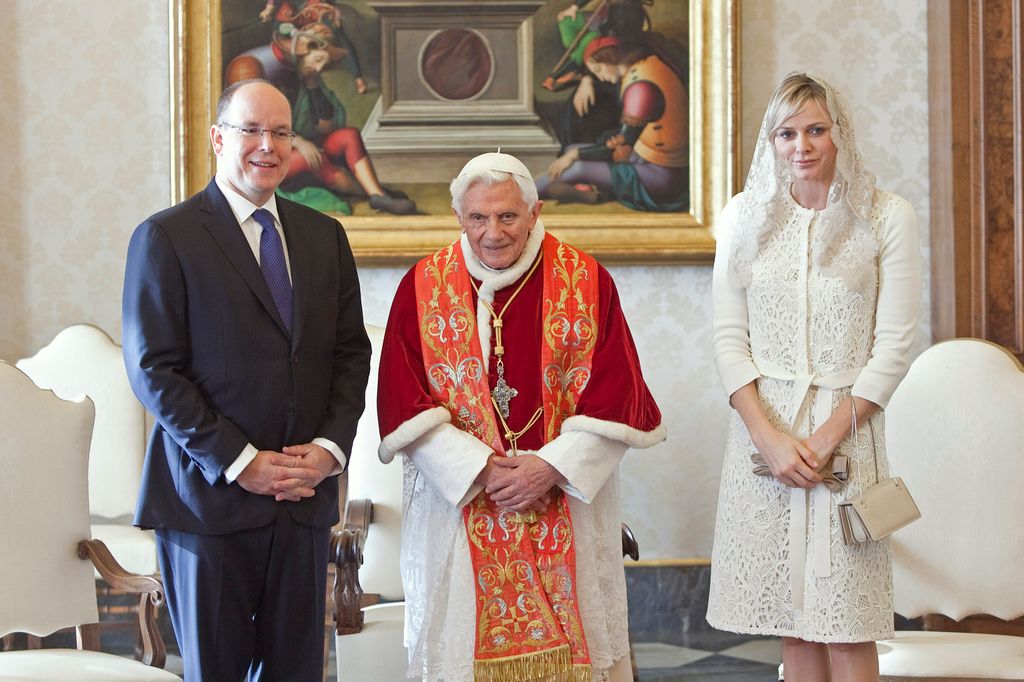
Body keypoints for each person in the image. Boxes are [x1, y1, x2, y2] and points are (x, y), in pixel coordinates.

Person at [377, 151, 665, 681]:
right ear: (458, 216)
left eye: (507, 216)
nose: (492, 233)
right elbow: (404, 403)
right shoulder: (421, 287)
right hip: (461, 508)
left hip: (567, 502)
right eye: (477, 218)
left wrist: (550, 467)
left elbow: (616, 396)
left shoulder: (586, 281)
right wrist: (481, 469)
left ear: (533, 213)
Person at [122, 79, 371, 681]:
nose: (268, 145)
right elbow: (154, 369)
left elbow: (349, 355)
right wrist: (241, 461)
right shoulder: (167, 236)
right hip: (208, 501)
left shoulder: (323, 236)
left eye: (281, 132)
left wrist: (329, 452)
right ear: (218, 138)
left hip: (303, 501)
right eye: (251, 130)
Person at [705, 73, 921, 681]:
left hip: (849, 433)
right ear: (770, 142)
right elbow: (729, 339)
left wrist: (827, 437)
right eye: (786, 133)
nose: (802, 145)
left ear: (839, 133)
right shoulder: (744, 217)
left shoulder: (886, 216)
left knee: (848, 624)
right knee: (793, 624)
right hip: (763, 439)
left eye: (816, 130)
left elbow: (894, 346)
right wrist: (768, 440)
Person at [536, 34, 688, 212]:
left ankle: (524, 194)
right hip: (646, 156)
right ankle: (595, 192)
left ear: (611, 58)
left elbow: (621, 145)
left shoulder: (641, 88)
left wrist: (575, 155)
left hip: (663, 177)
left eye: (599, 70)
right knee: (571, 150)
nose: (600, 78)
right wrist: (574, 153)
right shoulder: (644, 65)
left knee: (576, 165)